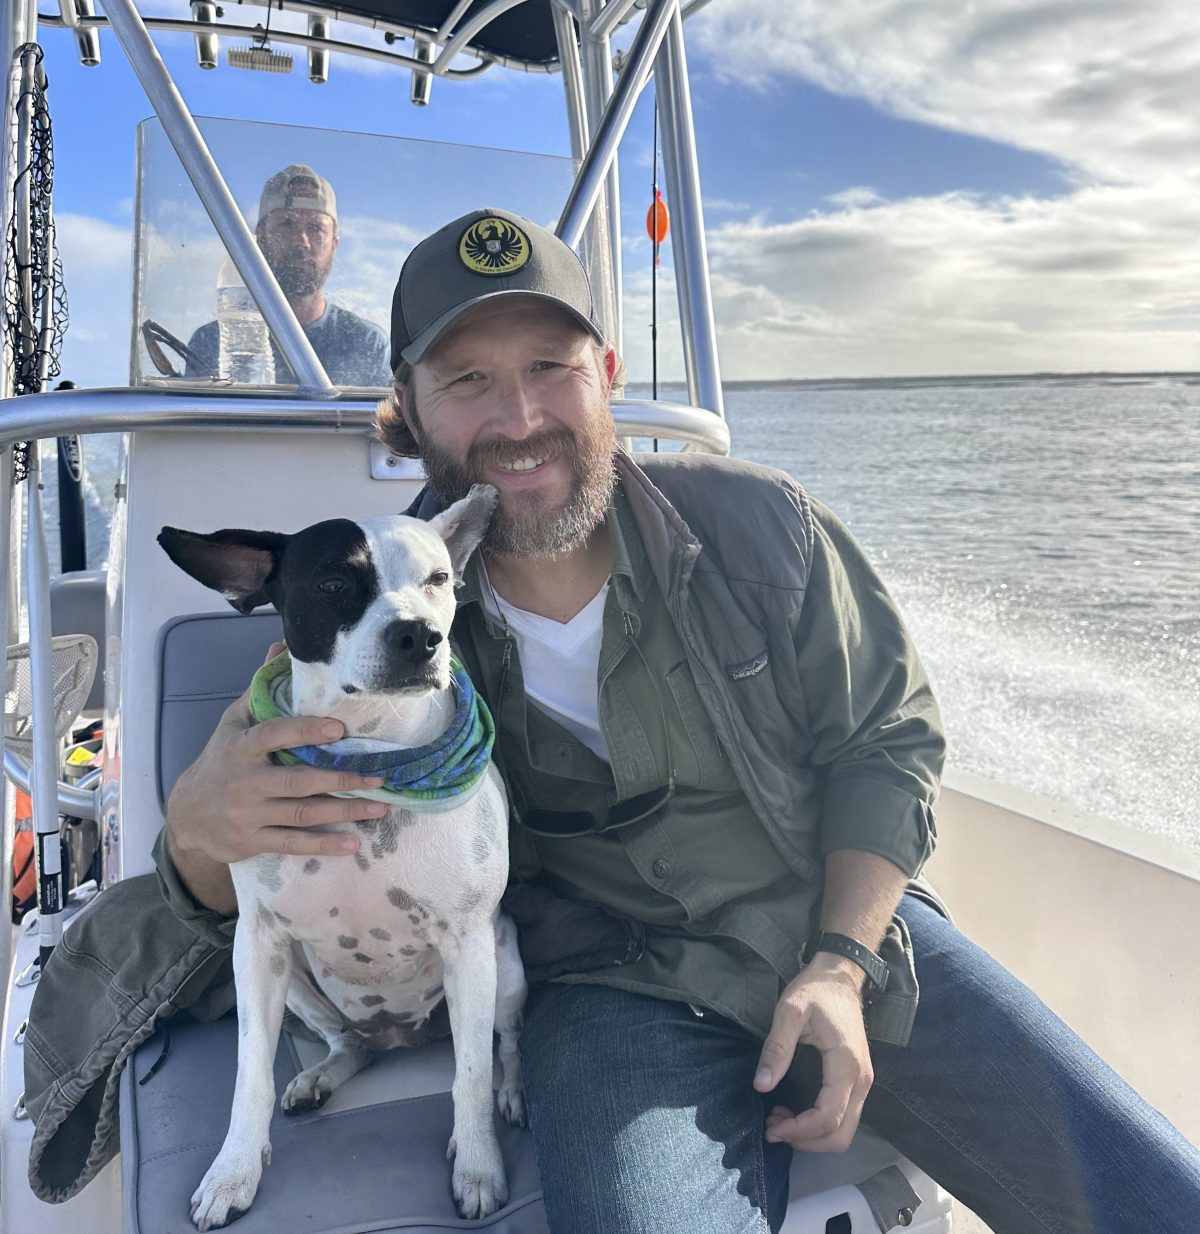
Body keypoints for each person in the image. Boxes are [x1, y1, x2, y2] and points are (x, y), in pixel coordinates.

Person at [24, 210, 1200, 1233]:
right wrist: (192, 833)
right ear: (411, 407)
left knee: (1153, 1195)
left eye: (551, 364)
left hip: (831, 933)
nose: (521, 413)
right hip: (604, 999)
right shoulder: (383, 613)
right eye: (469, 379)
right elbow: (242, 834)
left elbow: (885, 745)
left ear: (609, 371)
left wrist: (840, 965)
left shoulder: (765, 531)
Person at [185, 163, 391, 388]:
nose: (301, 240)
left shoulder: (367, 345)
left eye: (316, 229)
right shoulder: (212, 344)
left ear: (334, 244)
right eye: (286, 224)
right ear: (261, 239)